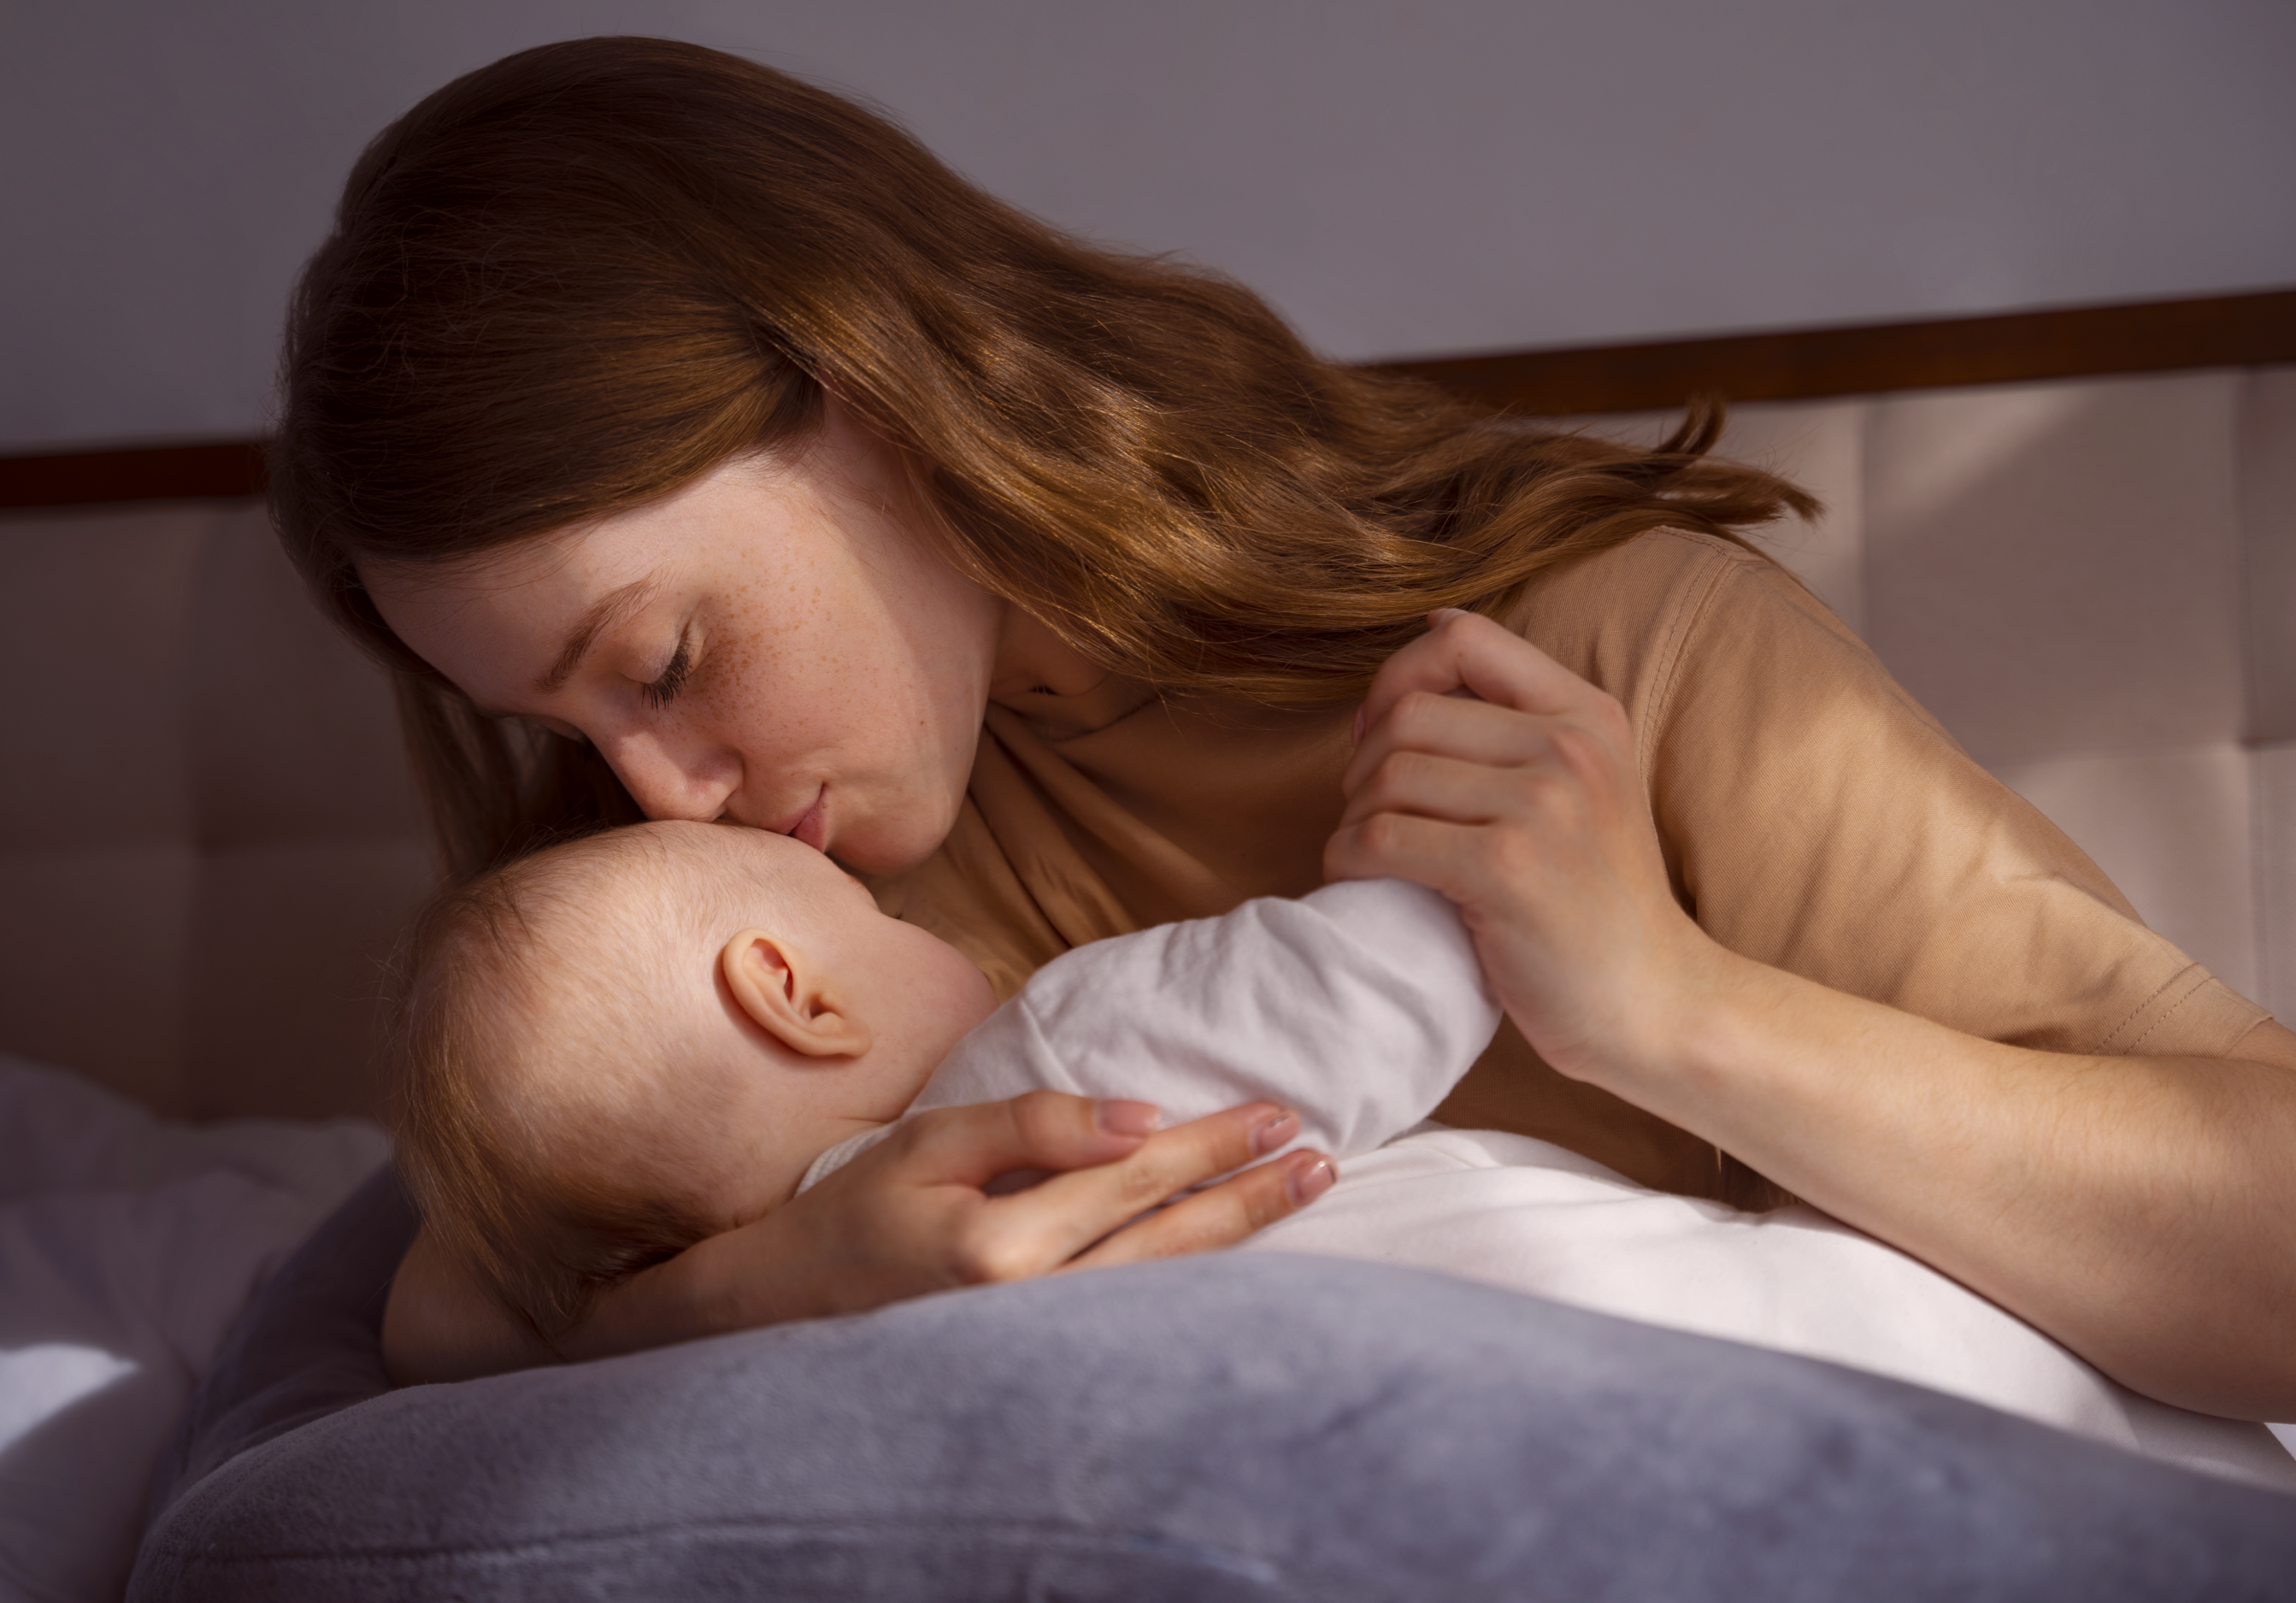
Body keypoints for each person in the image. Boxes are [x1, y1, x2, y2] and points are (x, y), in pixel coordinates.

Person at [271, 37, 2296, 1419]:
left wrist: (1666, 1008)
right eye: (559, 720)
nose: (647, 790)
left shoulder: (1584, 655)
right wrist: (772, 1286)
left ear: (873, 393)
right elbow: (444, 1304)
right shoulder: (742, 891)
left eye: (661, 660)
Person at [391, 817, 2294, 1485]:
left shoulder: (774, 1357)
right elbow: (1382, 975)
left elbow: (451, 1312)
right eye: (855, 909)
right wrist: (1429, 864)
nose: (922, 917)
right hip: (1789, 1349)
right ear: (797, 998)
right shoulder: (1046, 1053)